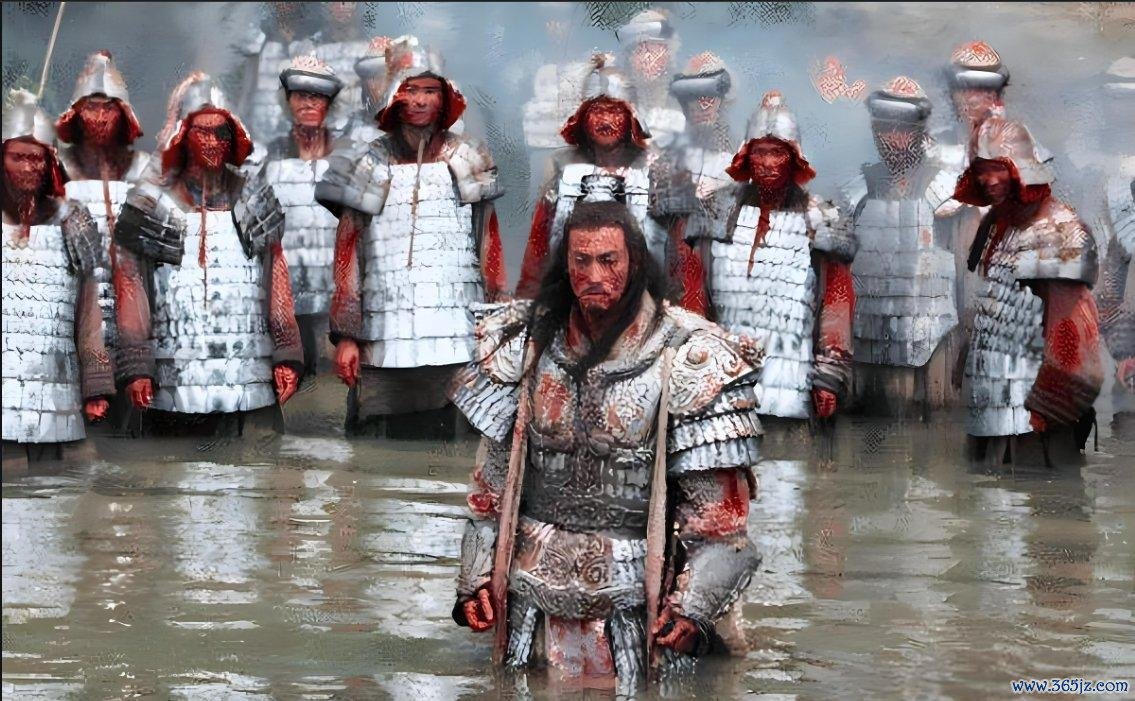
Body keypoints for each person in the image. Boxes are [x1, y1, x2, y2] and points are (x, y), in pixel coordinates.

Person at [450, 198, 763, 695]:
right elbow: (490, 492)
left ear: (633, 263)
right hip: (530, 598)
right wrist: (475, 582)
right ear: (566, 265)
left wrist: (692, 611)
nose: (594, 275)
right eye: (582, 261)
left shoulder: (689, 357)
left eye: (608, 260)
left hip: (637, 599)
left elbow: (722, 528)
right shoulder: (524, 345)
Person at [315, 36, 505, 438]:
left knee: (458, 446)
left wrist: (495, 328)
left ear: (445, 97)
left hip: (458, 336)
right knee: (376, 446)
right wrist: (347, 336)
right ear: (394, 96)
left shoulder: (469, 158)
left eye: (429, 91)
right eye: (410, 89)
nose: (419, 100)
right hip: (383, 337)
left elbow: (489, 249)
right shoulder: (367, 162)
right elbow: (348, 255)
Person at [112, 73, 301, 436]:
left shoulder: (253, 196)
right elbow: (131, 286)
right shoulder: (151, 203)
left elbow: (277, 278)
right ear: (184, 136)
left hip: (248, 376)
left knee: (255, 465)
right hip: (173, 382)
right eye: (203, 132)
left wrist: (287, 354)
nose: (213, 142)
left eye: (221, 133)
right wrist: (137, 365)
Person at [696, 91, 857, 431]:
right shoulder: (717, 212)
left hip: (791, 383)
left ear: (793, 158)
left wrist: (829, 375)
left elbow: (836, 303)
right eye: (760, 152)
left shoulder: (820, 218)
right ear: (747, 155)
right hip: (720, 387)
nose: (768, 163)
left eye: (777, 153)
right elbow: (694, 293)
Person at [954, 116, 1102, 466]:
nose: (989, 180)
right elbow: (996, 304)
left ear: (1021, 169)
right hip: (994, 405)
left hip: (1038, 418)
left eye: (998, 168)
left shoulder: (1057, 231)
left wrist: (1049, 404)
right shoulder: (998, 224)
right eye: (982, 170)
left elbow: (1073, 335)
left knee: (1044, 492)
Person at [515, 54, 704, 313]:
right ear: (583, 116)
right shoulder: (562, 168)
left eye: (614, 112)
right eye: (597, 112)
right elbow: (539, 247)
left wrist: (688, 309)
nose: (605, 121)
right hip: (574, 303)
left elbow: (682, 252)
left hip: (646, 305)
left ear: (630, 116)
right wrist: (529, 302)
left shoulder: (660, 170)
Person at [2, 89, 113, 469]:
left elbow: (89, 317)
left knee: (59, 489)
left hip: (57, 399)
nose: (29, 167)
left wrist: (96, 385)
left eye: (37, 158)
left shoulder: (72, 221)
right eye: (18, 157)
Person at [843, 77, 961, 418]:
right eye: (885, 127)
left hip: (935, 345)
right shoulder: (857, 191)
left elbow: (968, 273)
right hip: (866, 342)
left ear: (918, 131)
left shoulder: (947, 190)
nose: (893, 138)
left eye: (902, 129)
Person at [55, 50, 149, 357]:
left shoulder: (143, 169)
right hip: (72, 309)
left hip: (133, 309)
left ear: (123, 112)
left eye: (108, 108)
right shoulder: (56, 168)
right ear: (76, 112)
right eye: (91, 108)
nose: (99, 118)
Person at [259, 55, 344, 380]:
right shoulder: (269, 158)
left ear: (329, 102)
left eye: (317, 96)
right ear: (288, 100)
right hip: (287, 295)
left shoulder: (348, 155)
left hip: (337, 296)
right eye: (300, 95)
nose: (308, 103)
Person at [615, 7, 686, 149]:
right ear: (629, 59)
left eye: (653, 49)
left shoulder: (684, 106)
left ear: (668, 54)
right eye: (639, 50)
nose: (646, 58)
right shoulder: (616, 105)